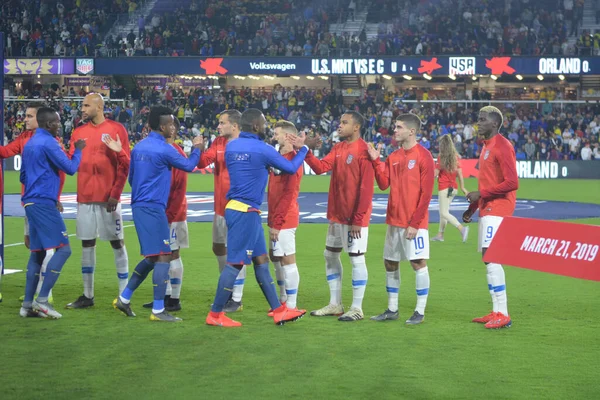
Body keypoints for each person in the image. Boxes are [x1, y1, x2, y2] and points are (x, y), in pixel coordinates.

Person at [205, 109, 308, 327]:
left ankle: (279, 310)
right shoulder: (263, 149)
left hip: (238, 209)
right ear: (255, 126)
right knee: (234, 264)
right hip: (245, 212)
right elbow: (289, 168)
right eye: (263, 123)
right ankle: (215, 314)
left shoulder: (232, 146)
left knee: (261, 260)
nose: (266, 127)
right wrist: (304, 149)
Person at [113, 106, 203, 322]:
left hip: (140, 205)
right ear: (163, 126)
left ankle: (124, 299)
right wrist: (198, 147)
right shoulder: (165, 149)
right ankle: (159, 310)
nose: (174, 126)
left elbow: (132, 179)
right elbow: (190, 165)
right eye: (171, 123)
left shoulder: (139, 147)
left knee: (153, 257)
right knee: (164, 256)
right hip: (154, 207)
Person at [304, 112, 375, 322]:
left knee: (356, 259)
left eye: (344, 123)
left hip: (354, 218)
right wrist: (306, 150)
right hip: (336, 216)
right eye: (339, 121)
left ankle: (357, 308)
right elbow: (320, 168)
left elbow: (366, 187)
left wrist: (358, 218)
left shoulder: (364, 151)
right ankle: (335, 304)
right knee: (330, 255)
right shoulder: (338, 148)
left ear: (356, 127)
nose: (339, 126)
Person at [367, 114, 434, 324]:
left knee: (417, 263)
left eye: (398, 127)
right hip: (394, 220)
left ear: (411, 131)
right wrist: (376, 161)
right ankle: (392, 309)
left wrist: (415, 223)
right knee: (390, 262)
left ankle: (420, 311)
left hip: (414, 223)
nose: (394, 130)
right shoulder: (393, 156)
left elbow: (426, 195)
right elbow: (384, 184)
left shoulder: (424, 156)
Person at [19, 107, 86, 318]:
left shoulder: (30, 144)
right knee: (64, 250)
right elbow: (70, 167)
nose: (60, 124)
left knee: (37, 254)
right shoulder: (49, 142)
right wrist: (79, 149)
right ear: (49, 124)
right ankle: (42, 299)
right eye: (57, 122)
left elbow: (22, 176)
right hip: (43, 202)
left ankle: (26, 306)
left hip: (30, 202)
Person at [67, 93, 131, 309]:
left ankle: (123, 294)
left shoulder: (116, 129)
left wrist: (116, 192)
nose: (82, 109)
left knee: (116, 241)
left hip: (108, 198)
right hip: (85, 197)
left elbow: (125, 164)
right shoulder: (78, 131)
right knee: (86, 242)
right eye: (82, 105)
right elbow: (71, 161)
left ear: (99, 106)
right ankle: (87, 295)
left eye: (86, 105)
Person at [0, 102, 65, 303]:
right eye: (25, 116)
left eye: (29, 116)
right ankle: (35, 292)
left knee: (48, 245)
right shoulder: (24, 138)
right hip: (30, 200)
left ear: (41, 119)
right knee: (33, 244)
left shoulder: (53, 141)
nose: (25, 119)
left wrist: (57, 197)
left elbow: (62, 173)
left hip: (45, 200)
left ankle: (46, 294)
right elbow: (5, 153)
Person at [463, 106, 519, 330]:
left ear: (495, 124)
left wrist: (481, 196)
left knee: (492, 257)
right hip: (487, 208)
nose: (478, 122)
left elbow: (512, 182)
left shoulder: (503, 146)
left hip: (499, 208)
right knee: (488, 258)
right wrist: (473, 208)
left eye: (482, 119)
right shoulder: (486, 147)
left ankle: (503, 313)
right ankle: (496, 311)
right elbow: (486, 184)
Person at [198, 110, 246, 313]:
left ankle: (236, 298)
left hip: (239, 207)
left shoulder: (247, 143)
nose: (218, 126)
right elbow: (202, 163)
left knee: (237, 252)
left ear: (234, 125)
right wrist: (198, 147)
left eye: (221, 122)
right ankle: (227, 289)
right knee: (218, 248)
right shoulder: (218, 142)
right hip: (219, 207)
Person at [142, 117, 188, 311]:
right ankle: (166, 295)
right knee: (162, 254)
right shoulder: (156, 150)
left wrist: (169, 217)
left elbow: (179, 190)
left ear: (173, 130)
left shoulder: (176, 153)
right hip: (158, 212)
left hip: (172, 214)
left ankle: (174, 300)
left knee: (172, 254)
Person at [267, 121, 303, 313]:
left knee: (288, 260)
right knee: (277, 258)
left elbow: (289, 195)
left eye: (277, 134)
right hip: (276, 217)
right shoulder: (277, 158)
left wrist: (278, 223)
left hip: (285, 218)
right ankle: (282, 301)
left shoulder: (293, 161)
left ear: (288, 137)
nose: (274, 136)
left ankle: (291, 305)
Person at [431, 134, 470, 242]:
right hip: (454, 188)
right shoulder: (455, 157)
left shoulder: (441, 157)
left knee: (443, 213)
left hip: (444, 187)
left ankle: (462, 229)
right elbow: (460, 173)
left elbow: (435, 174)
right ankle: (440, 235)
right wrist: (463, 188)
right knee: (444, 212)